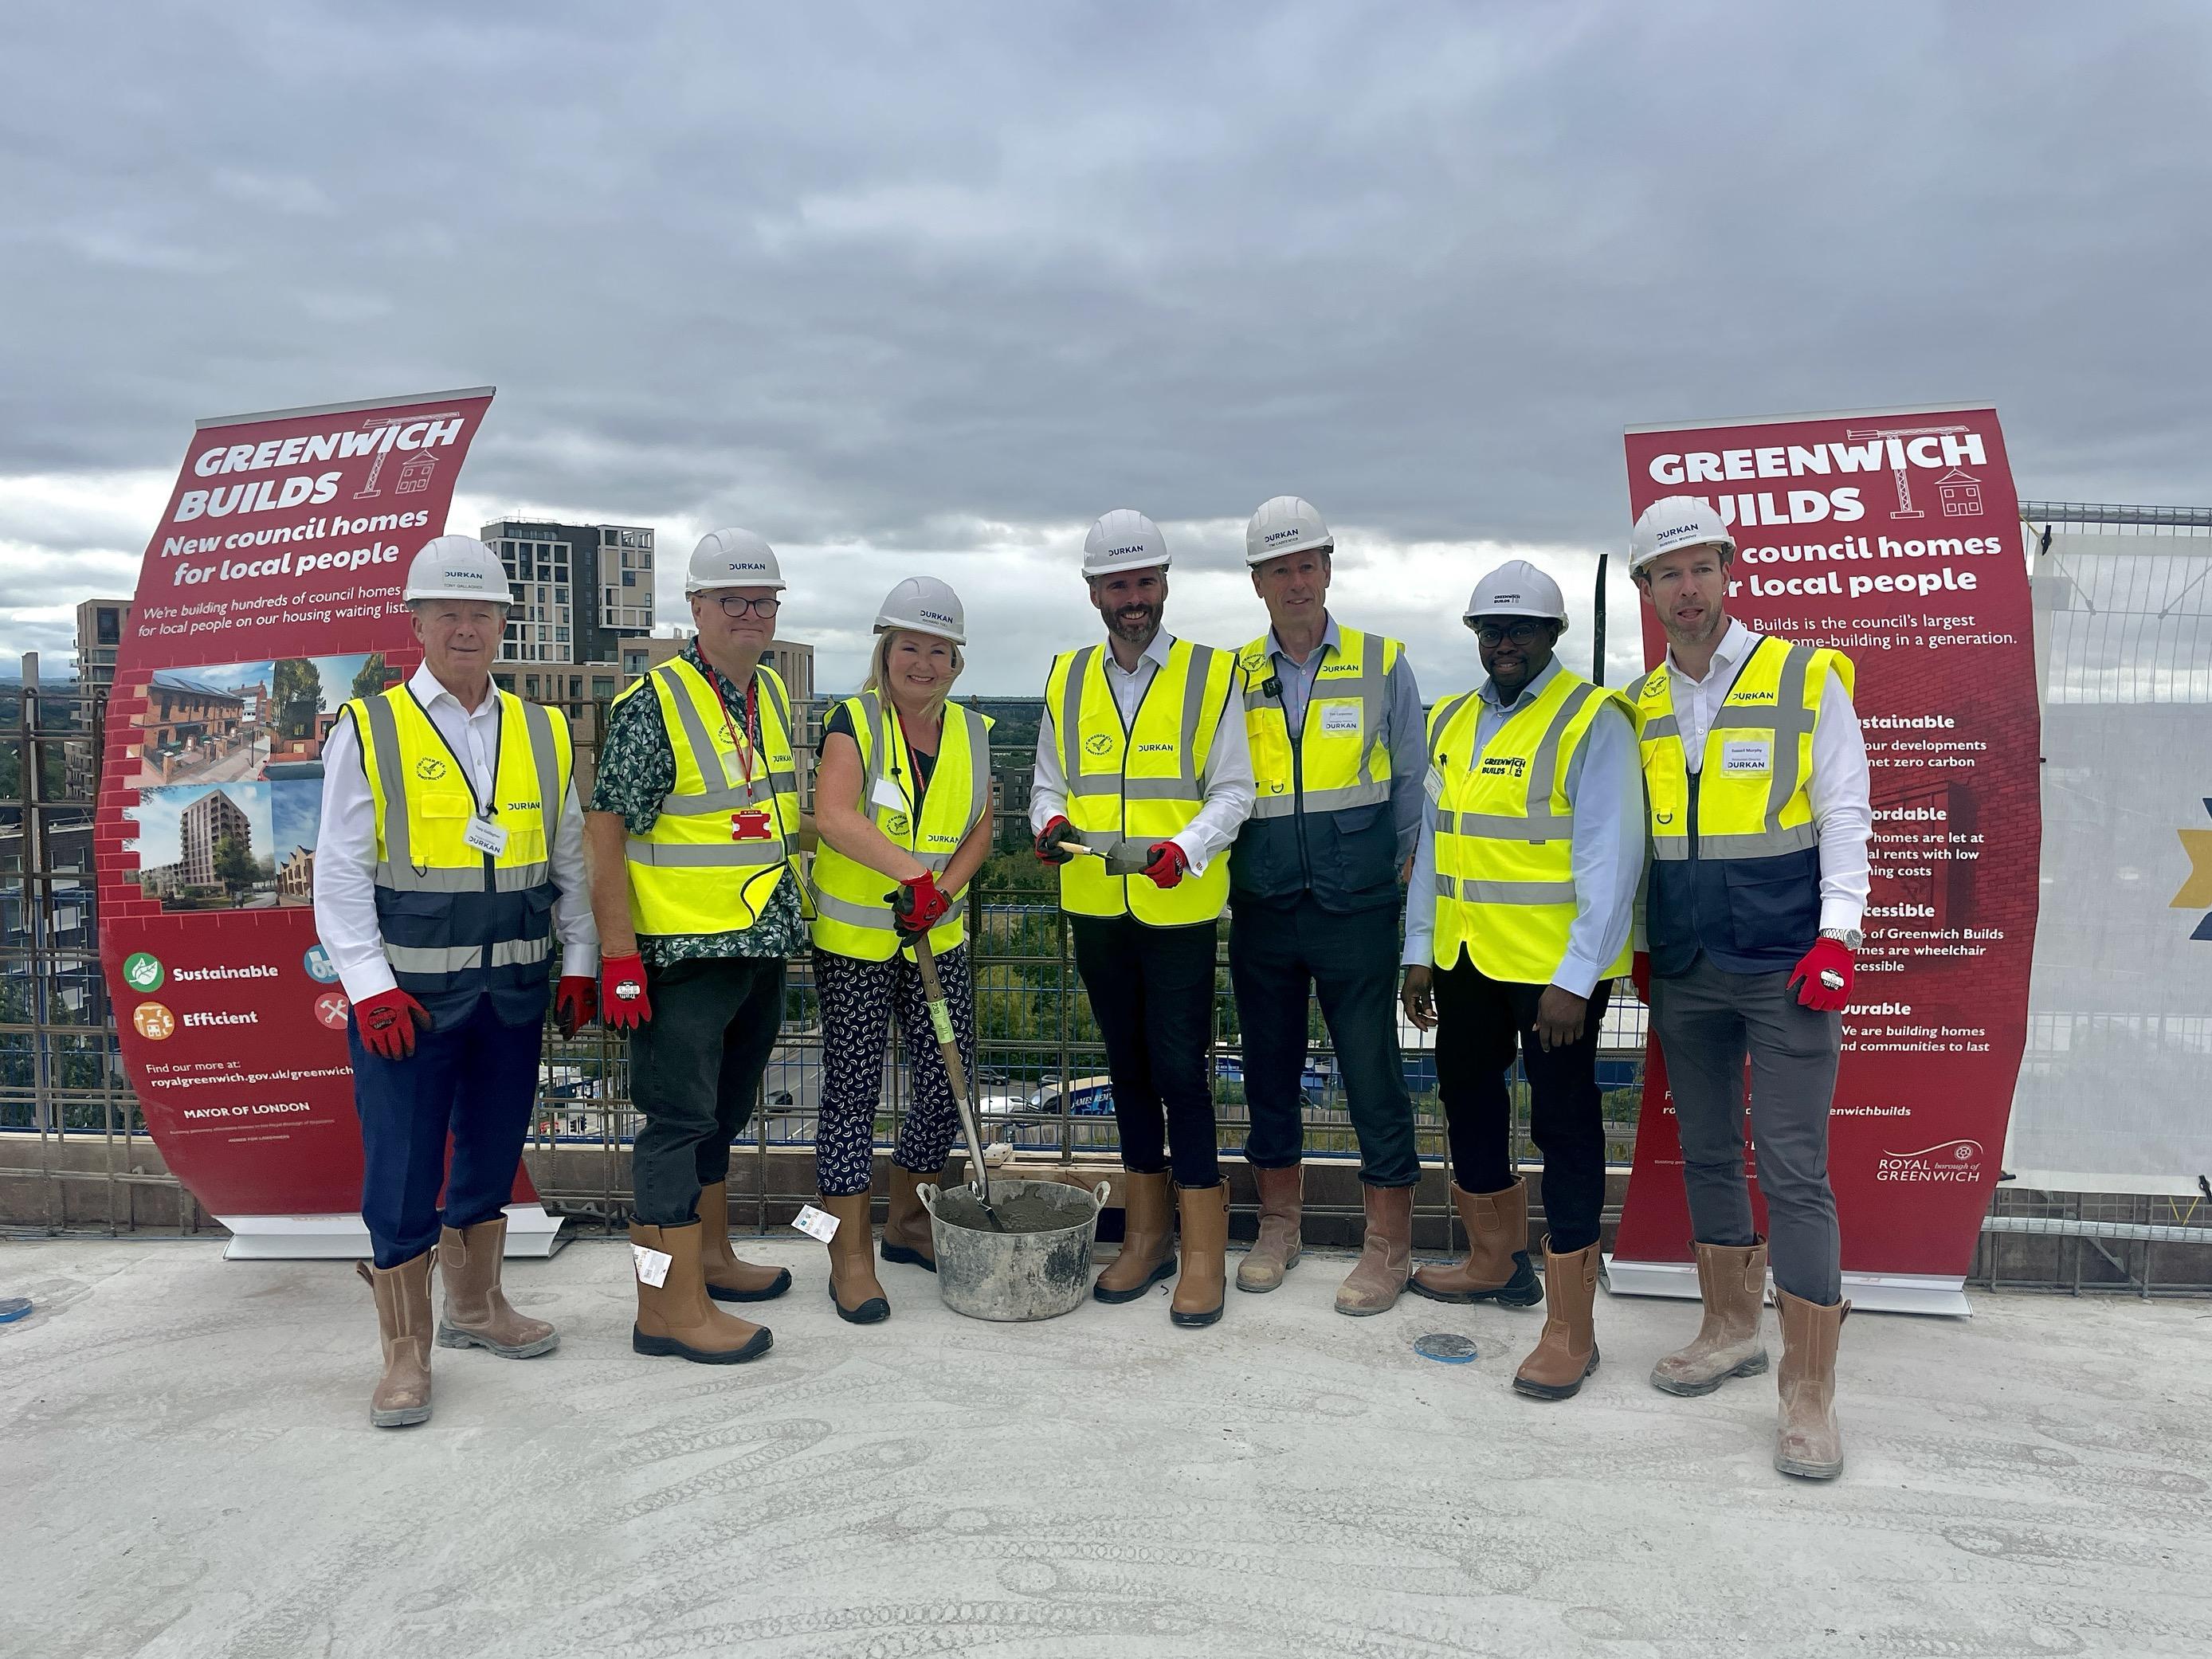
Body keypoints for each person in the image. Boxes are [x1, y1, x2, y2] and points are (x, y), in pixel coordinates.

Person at [315, 535, 598, 1428]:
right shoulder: (370, 727)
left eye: (481, 613)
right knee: (402, 1166)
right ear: (418, 622)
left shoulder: (543, 730)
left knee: (491, 1147)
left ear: (504, 623)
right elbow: (339, 871)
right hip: (409, 1002)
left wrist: (580, 961)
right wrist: (369, 987)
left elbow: (570, 859)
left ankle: (476, 1307)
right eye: (448, 613)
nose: (466, 628)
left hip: (512, 990)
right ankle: (405, 1352)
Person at [1625, 494, 1872, 1479]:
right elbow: (1637, 837)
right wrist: (1638, 940)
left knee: (1794, 1168)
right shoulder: (1639, 702)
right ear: (1645, 589)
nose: (1687, 588)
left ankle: (1808, 1393)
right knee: (1708, 1151)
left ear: (1728, 572)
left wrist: (1838, 933)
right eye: (1667, 574)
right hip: (1686, 963)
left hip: (1783, 963)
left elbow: (1843, 810)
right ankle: (1730, 1328)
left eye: (1701, 568)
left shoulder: (1804, 676)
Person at [1400, 560, 1641, 1401]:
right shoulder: (1453, 720)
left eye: (1521, 630)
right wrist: (1420, 950)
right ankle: (1494, 1263)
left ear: (1552, 635)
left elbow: (1613, 858)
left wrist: (1577, 977)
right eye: (1490, 630)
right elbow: (1436, 842)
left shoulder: (1592, 720)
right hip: (1466, 959)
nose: (1504, 643)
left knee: (1563, 1129)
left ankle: (1572, 1328)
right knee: (1467, 1103)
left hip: (1553, 977)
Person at [586, 528, 806, 1366]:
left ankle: (708, 1261)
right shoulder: (654, 703)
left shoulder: (768, 693)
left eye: (763, 601)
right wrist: (618, 957)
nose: (750, 614)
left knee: (723, 1112)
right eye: (732, 600)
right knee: (674, 1127)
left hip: (758, 941)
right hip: (682, 954)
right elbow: (606, 831)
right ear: (697, 608)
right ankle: (663, 1307)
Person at [1032, 509, 1252, 1328]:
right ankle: (1148, 1235)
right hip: (1097, 905)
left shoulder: (1210, 673)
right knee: (1126, 1071)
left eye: (1146, 583)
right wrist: (1048, 824)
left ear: (1164, 584)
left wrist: (1184, 849)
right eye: (1119, 585)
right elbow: (1048, 782)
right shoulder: (1067, 677)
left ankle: (1202, 1254)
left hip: (1177, 907)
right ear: (1095, 592)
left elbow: (1234, 789)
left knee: (1180, 1074)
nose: (1135, 599)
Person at [1227, 496, 1426, 1315]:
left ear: (1328, 569)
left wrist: (1399, 872)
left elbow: (1410, 778)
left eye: (1307, 565)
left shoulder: (1382, 663)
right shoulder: (1233, 674)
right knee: (1268, 1072)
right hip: (1264, 904)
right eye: (1279, 569)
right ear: (1257, 582)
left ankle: (1388, 1246)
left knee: (1372, 1073)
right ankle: (1279, 1225)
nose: (1296, 582)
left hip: (1358, 906)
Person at [807, 577, 995, 1322]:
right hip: (857, 943)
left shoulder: (972, 732)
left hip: (936, 939)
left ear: (957, 661)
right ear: (886, 652)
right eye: (910, 647)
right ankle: (849, 1257)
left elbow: (981, 828)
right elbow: (833, 814)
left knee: (949, 1080)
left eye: (939, 651)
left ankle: (908, 1222)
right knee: (853, 1091)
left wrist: (939, 893)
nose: (924, 663)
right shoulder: (854, 720)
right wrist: (914, 877)